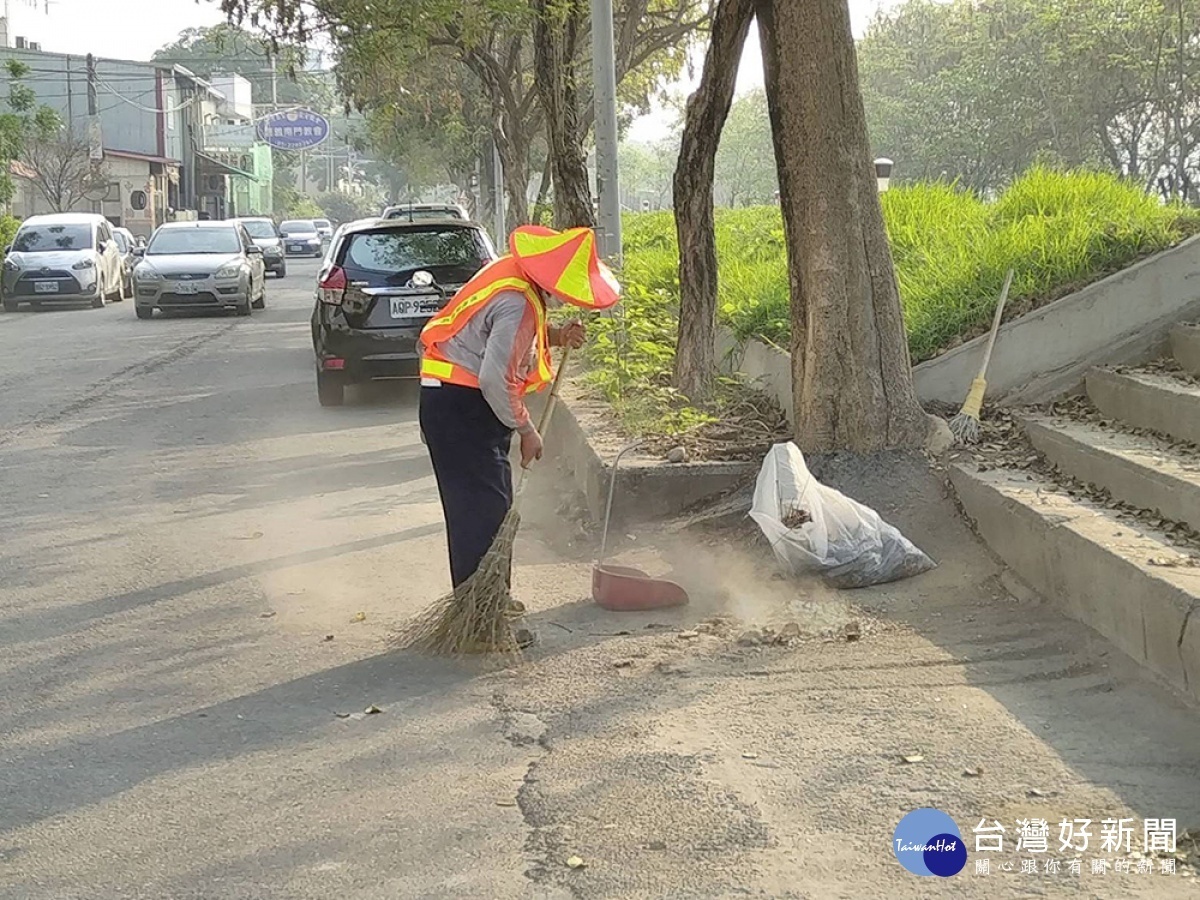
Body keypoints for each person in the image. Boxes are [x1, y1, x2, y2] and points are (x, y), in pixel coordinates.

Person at [418, 224, 621, 617]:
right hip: (463, 407)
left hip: (450, 401)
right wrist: (527, 429)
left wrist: (557, 335)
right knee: (483, 514)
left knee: (483, 508)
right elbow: (495, 377)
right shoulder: (518, 301)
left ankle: (485, 603)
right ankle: (482, 616)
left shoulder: (508, 272)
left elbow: (494, 334)